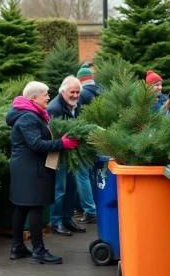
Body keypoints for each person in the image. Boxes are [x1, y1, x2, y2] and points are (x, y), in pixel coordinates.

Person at [6, 81, 79, 264]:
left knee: (22, 207)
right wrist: (62, 144)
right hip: (31, 170)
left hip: (26, 169)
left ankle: (18, 247)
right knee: (35, 207)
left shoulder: (29, 114)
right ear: (34, 98)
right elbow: (36, 144)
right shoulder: (28, 117)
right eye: (46, 94)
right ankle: (38, 251)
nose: (48, 97)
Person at [47, 75, 86, 235]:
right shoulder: (54, 108)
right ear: (63, 91)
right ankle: (56, 222)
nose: (75, 95)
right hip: (58, 154)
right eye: (72, 92)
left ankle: (67, 218)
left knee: (72, 187)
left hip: (71, 153)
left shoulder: (76, 105)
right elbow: (53, 133)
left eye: (78, 92)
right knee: (60, 188)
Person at [75, 63, 102, 224]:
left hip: (85, 137)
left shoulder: (82, 94)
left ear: (80, 80)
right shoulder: (102, 91)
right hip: (100, 137)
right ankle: (96, 207)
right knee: (93, 173)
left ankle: (89, 210)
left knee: (82, 173)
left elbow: (78, 117)